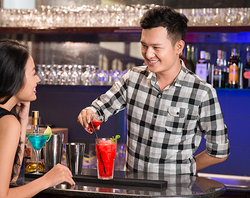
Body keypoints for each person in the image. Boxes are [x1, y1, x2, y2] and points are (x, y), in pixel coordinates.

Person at [77, 6, 230, 175]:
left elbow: (219, 151)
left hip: (176, 192)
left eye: (156, 47)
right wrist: (89, 112)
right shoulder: (132, 78)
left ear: (179, 47)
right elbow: (100, 108)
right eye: (144, 45)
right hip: (134, 189)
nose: (148, 54)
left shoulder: (201, 92)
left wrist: (185, 169)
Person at [0, 39, 75, 198]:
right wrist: (47, 180)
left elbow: (12, 177)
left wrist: (22, 120)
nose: (37, 79)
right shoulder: (4, 122)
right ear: (14, 76)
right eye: (33, 73)